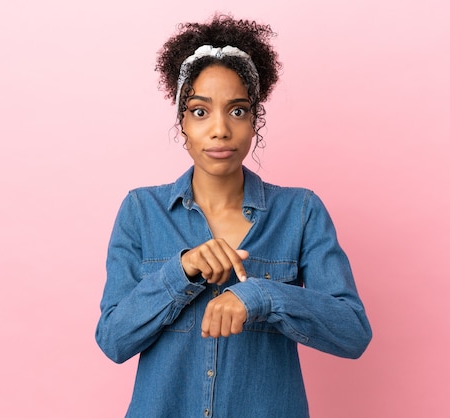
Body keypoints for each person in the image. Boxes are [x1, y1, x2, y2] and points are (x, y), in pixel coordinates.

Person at [95, 14, 372, 418]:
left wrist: (261, 296)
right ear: (182, 122)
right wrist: (182, 271)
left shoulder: (300, 212)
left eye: (238, 111)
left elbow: (352, 332)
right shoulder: (141, 211)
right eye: (201, 111)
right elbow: (114, 340)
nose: (220, 129)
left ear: (255, 119)